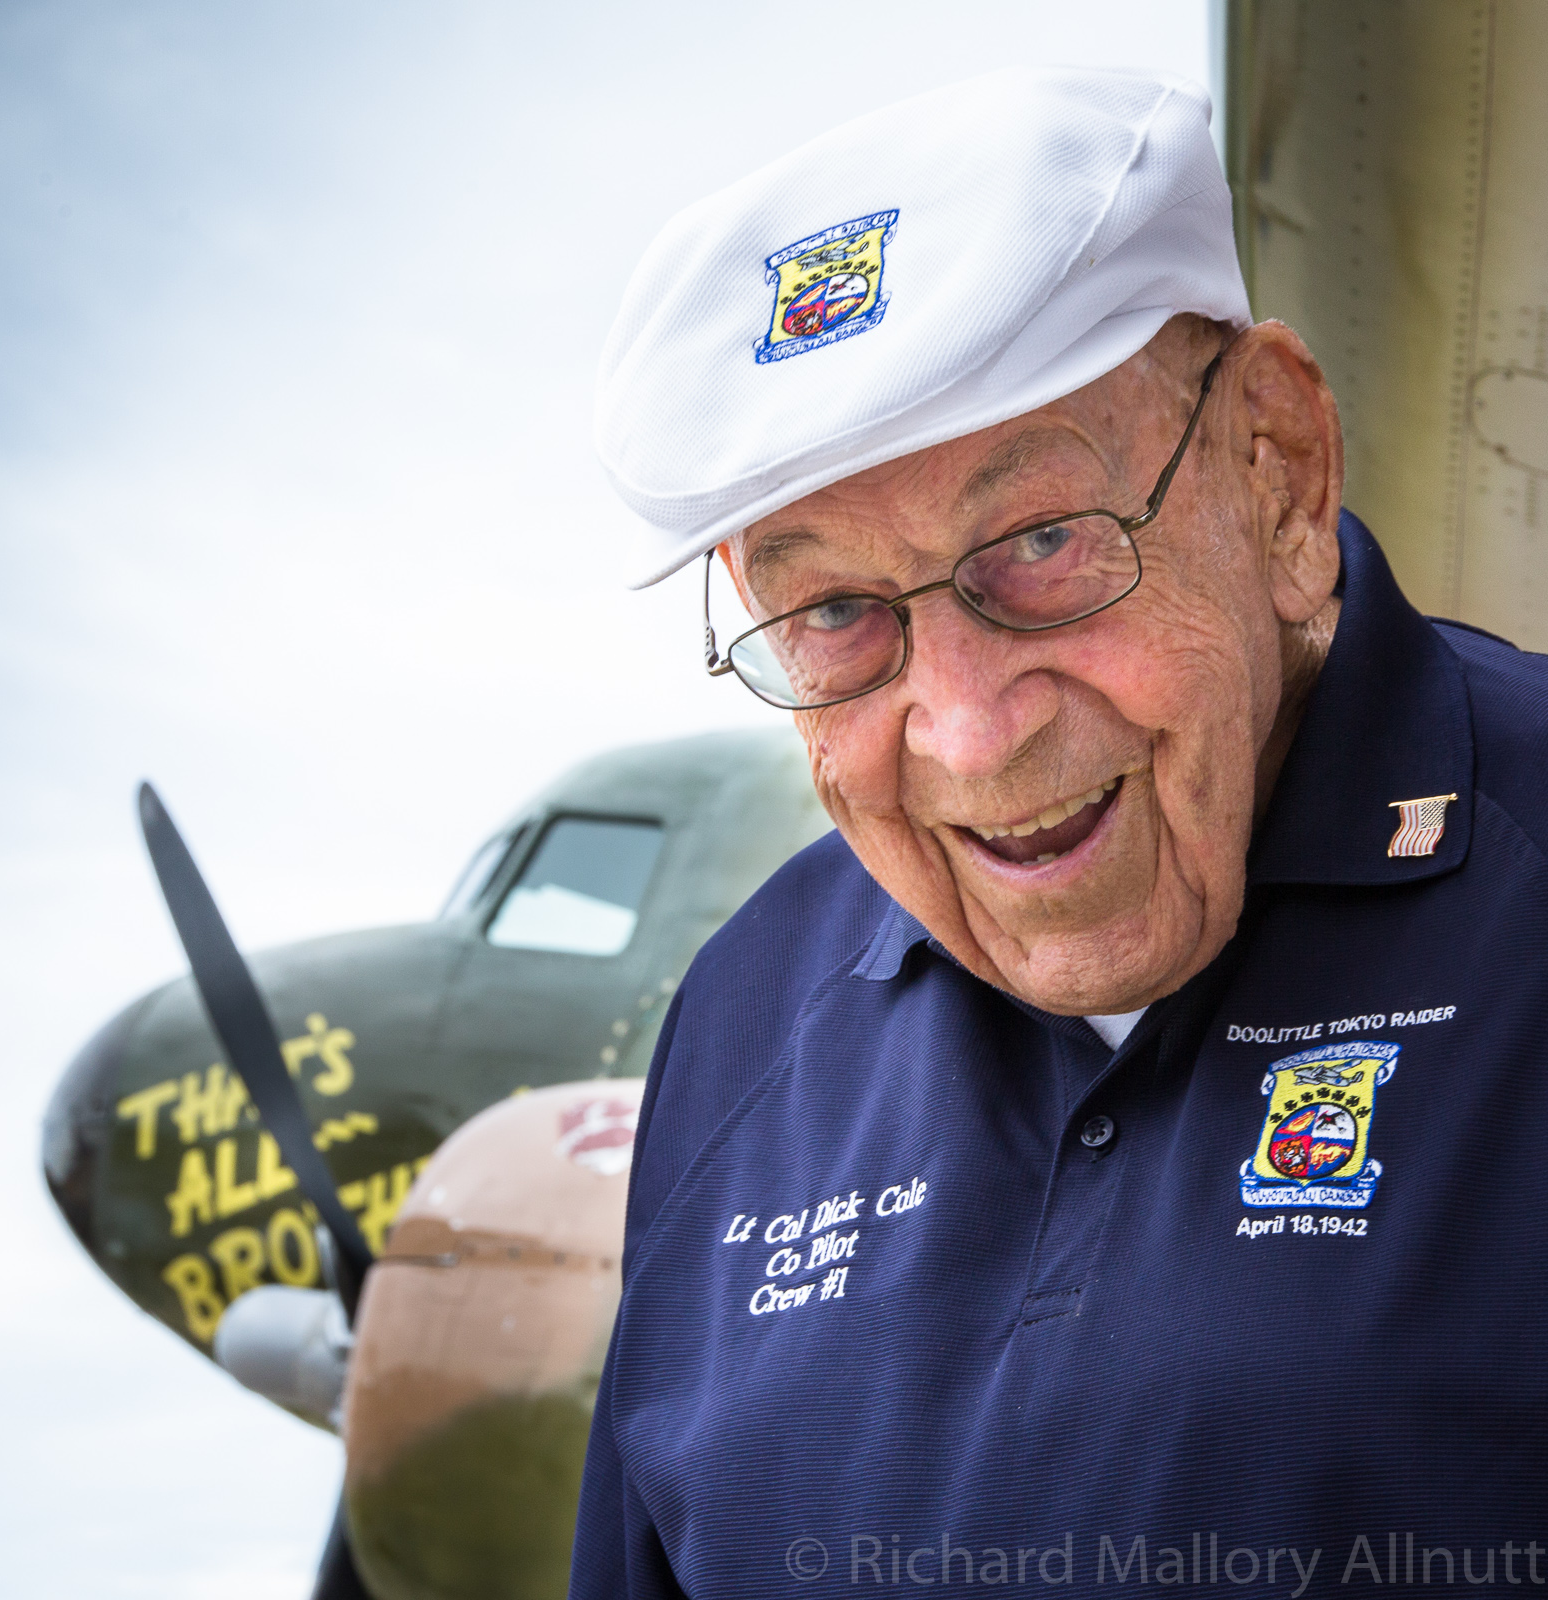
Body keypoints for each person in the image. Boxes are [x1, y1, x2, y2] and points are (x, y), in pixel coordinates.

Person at [571, 69, 1548, 1597]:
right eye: (831, 614)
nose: (967, 731)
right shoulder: (742, 1014)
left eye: (1039, 546)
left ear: (1276, 471)